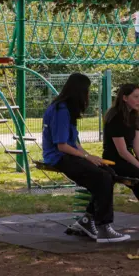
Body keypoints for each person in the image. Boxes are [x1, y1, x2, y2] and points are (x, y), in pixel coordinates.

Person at [42, 73, 130, 243]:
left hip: (68, 154)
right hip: (58, 157)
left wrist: (90, 157)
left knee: (109, 172)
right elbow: (62, 146)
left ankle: (87, 220)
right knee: (102, 178)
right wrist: (86, 157)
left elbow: (73, 142)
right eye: (87, 90)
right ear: (80, 91)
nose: (88, 94)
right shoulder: (60, 110)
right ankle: (104, 227)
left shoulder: (67, 109)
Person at [103, 84, 139, 199]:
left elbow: (137, 146)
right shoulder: (115, 118)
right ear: (125, 98)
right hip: (114, 161)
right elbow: (122, 152)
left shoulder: (134, 116)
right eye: (136, 97)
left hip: (127, 158)